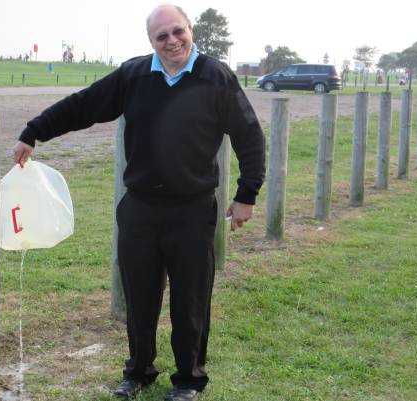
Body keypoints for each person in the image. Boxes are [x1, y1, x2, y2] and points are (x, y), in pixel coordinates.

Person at [13, 4, 265, 401]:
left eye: (177, 31)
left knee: (191, 301)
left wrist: (246, 194)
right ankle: (139, 371)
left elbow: (249, 136)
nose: (171, 41)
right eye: (161, 36)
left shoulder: (216, 77)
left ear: (190, 29)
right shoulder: (133, 75)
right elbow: (84, 105)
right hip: (140, 210)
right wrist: (35, 131)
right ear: (151, 41)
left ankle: (188, 379)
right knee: (140, 298)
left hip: (193, 211)